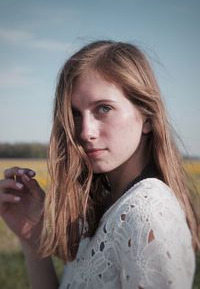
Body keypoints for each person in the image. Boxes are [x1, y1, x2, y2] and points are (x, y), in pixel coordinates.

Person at [0, 40, 199, 289]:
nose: (85, 132)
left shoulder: (146, 214)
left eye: (104, 108)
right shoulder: (104, 205)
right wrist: (32, 239)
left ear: (147, 118)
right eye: (75, 113)